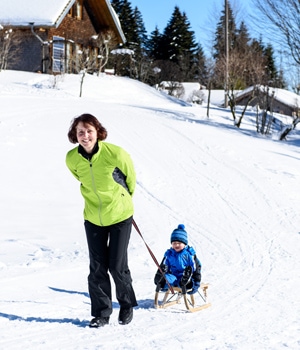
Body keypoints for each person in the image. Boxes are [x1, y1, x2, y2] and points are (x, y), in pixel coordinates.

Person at [66, 113, 137, 328]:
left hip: (119, 216)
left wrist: (124, 199)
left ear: (98, 132)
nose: (85, 136)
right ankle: (101, 313)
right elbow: (80, 177)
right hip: (93, 217)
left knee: (117, 265)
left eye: (89, 131)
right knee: (97, 268)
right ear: (75, 135)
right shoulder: (72, 158)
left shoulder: (114, 154)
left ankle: (126, 304)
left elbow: (130, 178)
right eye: (80, 132)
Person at [154, 224, 201, 294]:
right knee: (166, 278)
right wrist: (162, 271)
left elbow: (196, 269)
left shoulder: (189, 254)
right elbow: (164, 266)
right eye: (174, 243)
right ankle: (161, 280)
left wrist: (196, 283)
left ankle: (187, 281)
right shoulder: (169, 254)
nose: (176, 245)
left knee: (185, 281)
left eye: (179, 243)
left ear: (185, 244)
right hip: (174, 277)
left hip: (185, 277)